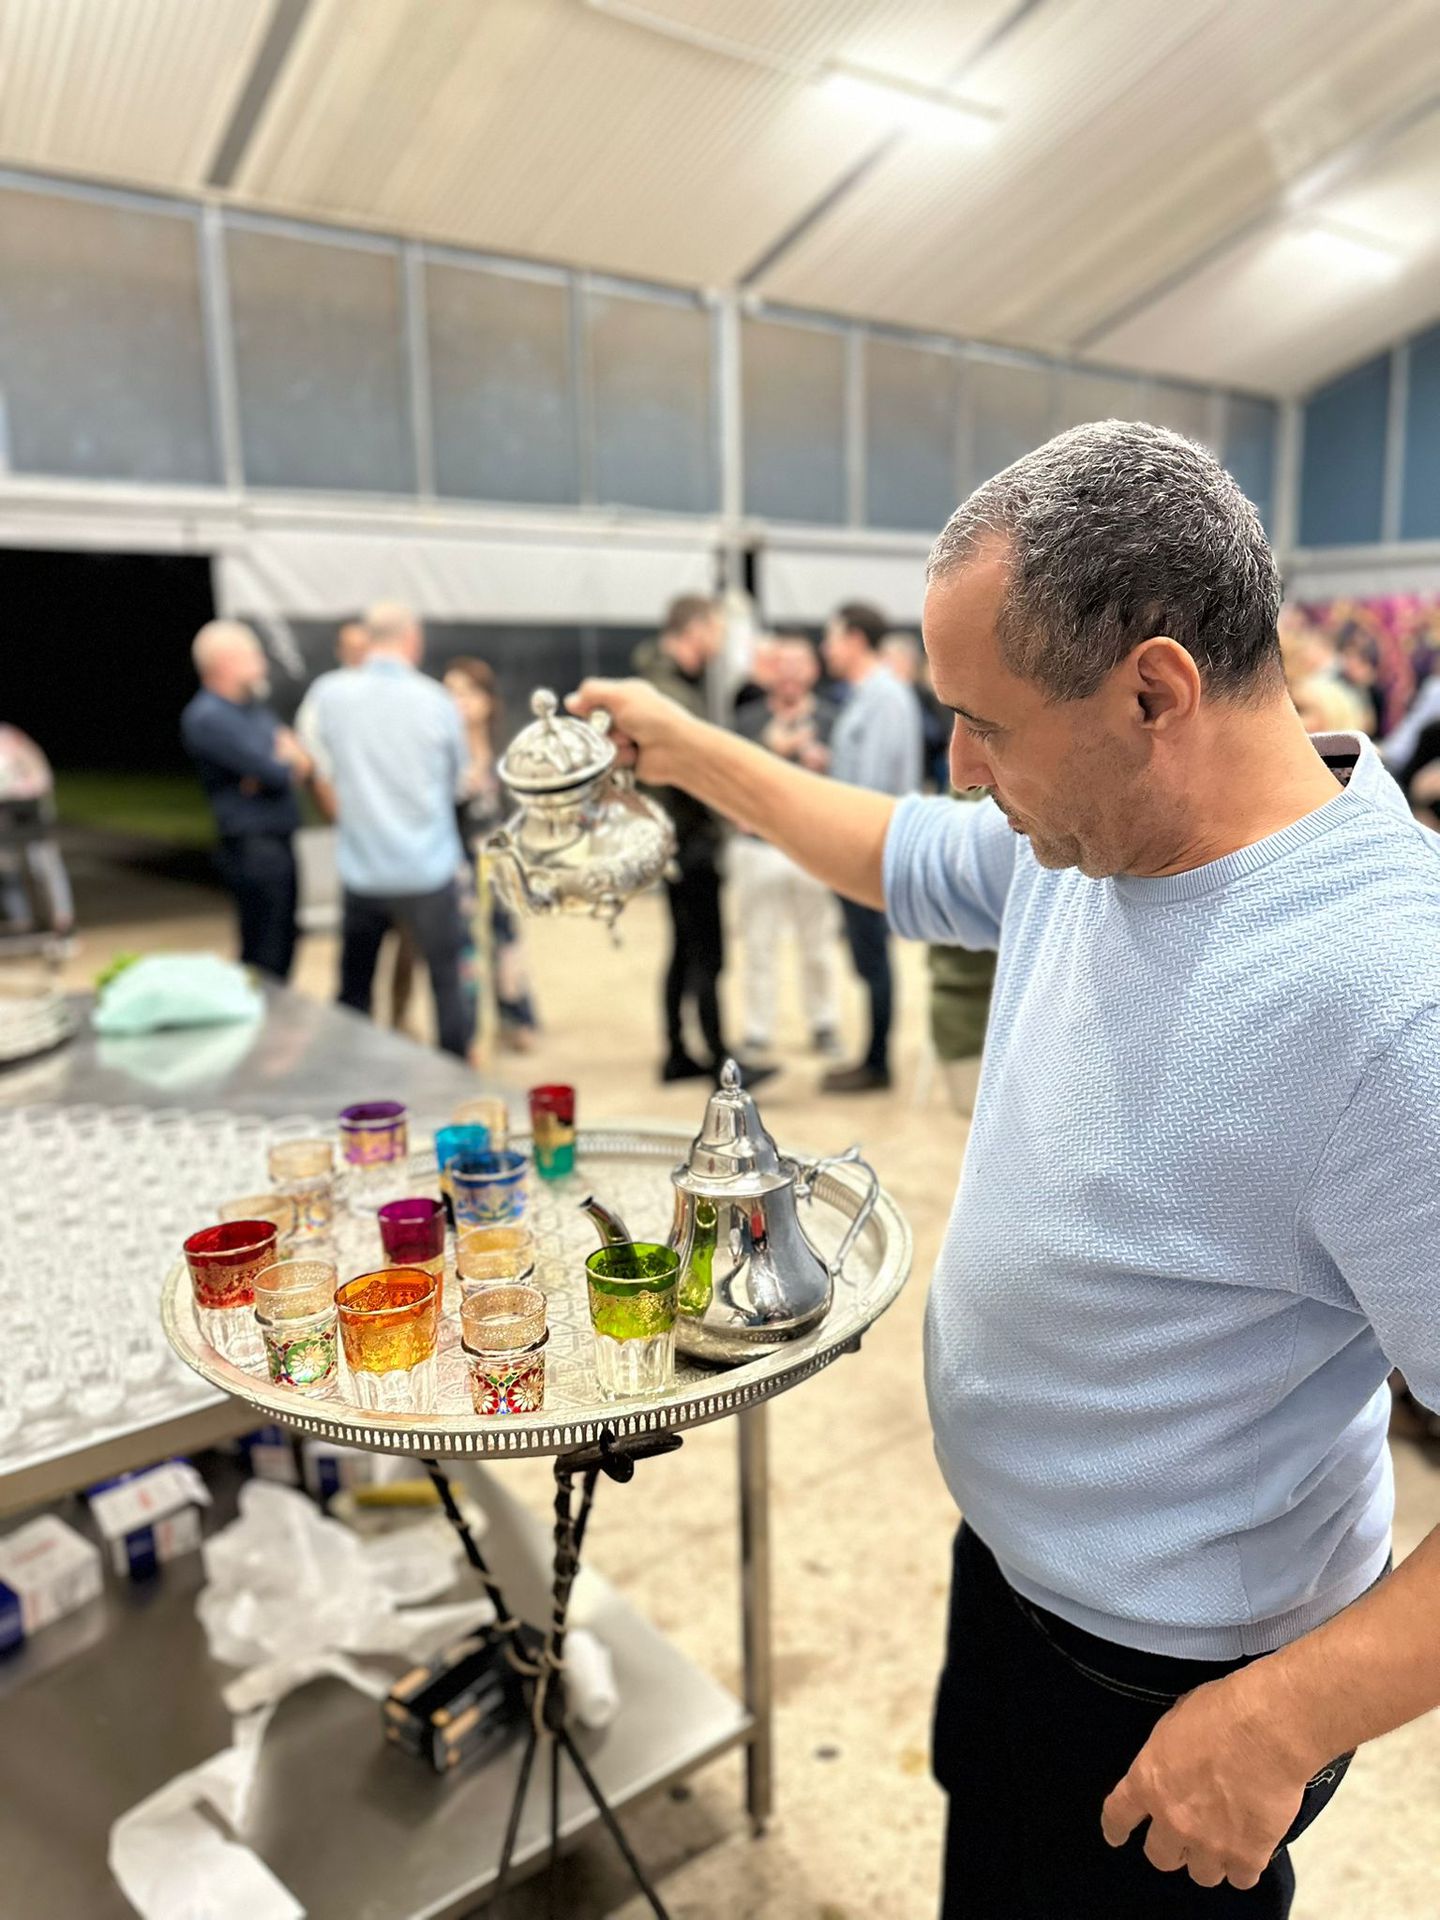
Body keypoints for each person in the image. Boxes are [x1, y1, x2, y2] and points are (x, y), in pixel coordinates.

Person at [569, 419, 1440, 1919]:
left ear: (1154, 691)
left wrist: (1284, 1720)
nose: (964, 771)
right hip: (1020, 1584)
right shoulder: (1097, 839)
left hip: (1182, 1684)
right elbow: (890, 849)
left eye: (984, 724)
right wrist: (687, 747)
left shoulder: (1390, 1003)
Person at [304, 602, 469, 1057]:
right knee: (446, 984)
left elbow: (312, 761)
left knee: (354, 989)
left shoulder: (329, 694)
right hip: (428, 869)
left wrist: (348, 811)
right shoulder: (436, 701)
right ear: (412, 640)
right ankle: (455, 1083)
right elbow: (458, 779)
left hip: (363, 869)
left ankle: (352, 1081)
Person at [634, 594, 770, 1085]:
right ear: (694, 630)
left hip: (673, 839)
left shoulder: (662, 684)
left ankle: (677, 1053)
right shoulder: (671, 693)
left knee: (684, 951)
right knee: (707, 954)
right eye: (716, 630)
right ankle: (720, 1063)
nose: (721, 641)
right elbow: (693, 772)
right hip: (689, 842)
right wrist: (734, 813)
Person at [817, 601, 923, 1091]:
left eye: (833, 638)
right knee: (867, 957)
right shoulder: (868, 695)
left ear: (856, 639)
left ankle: (877, 1063)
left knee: (874, 957)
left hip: (869, 847)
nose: (826, 648)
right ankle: (873, 1057)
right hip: (859, 845)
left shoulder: (883, 697)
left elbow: (874, 787)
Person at [731, 635, 843, 1058]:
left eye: (800, 664)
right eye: (782, 664)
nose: (791, 674)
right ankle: (758, 1029)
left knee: (819, 944)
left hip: (813, 847)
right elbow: (731, 775)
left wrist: (825, 766)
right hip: (758, 847)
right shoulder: (747, 720)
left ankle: (824, 1023)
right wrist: (771, 751)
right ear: (769, 670)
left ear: (813, 671)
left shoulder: (833, 720)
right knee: (758, 944)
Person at [180, 620, 308, 979]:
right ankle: (262, 1011)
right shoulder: (208, 716)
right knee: (264, 948)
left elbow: (291, 758)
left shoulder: (253, 709)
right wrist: (281, 762)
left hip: (278, 838)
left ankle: (276, 1008)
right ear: (223, 662)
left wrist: (281, 762)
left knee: (285, 938)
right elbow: (276, 770)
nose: (262, 662)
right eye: (252, 655)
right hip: (252, 846)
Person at [443, 656, 539, 1053]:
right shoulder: (443, 751)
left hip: (499, 858)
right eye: (451, 693)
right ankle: (469, 1028)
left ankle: (516, 1017)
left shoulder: (503, 750)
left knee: (506, 937)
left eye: (468, 692)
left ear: (487, 699)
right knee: (464, 943)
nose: (460, 701)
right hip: (457, 860)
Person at [881, 629, 950, 790]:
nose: (883, 665)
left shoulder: (924, 695)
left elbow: (938, 734)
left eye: (889, 659)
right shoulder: (883, 695)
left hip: (924, 777)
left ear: (907, 662)